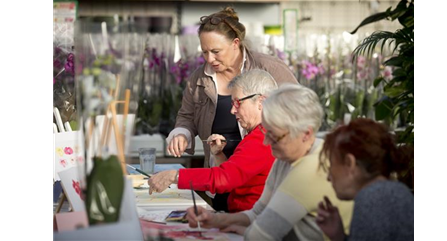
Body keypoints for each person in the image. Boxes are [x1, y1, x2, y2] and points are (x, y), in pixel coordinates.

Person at [165, 7, 298, 212]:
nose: (209, 59)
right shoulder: (199, 78)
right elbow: (186, 115)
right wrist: (182, 133)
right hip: (220, 171)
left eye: (216, 52)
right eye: (204, 52)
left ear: (235, 43)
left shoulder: (270, 68)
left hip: (260, 182)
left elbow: (299, 110)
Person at [184, 84, 354, 240]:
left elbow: (260, 236)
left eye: (275, 136)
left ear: (306, 134)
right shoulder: (288, 156)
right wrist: (216, 219)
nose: (266, 142)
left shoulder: (310, 168)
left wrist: (247, 231)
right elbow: (257, 213)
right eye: (266, 132)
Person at [148, 70, 278, 213]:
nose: (232, 111)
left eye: (237, 103)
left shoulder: (261, 138)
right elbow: (236, 177)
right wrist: (218, 155)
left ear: (261, 102)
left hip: (248, 222)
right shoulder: (263, 132)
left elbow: (224, 180)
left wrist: (174, 176)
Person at [316, 118, 414, 241]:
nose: (329, 177)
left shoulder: (373, 198)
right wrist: (340, 236)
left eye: (332, 164)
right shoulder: (394, 192)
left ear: (349, 163)